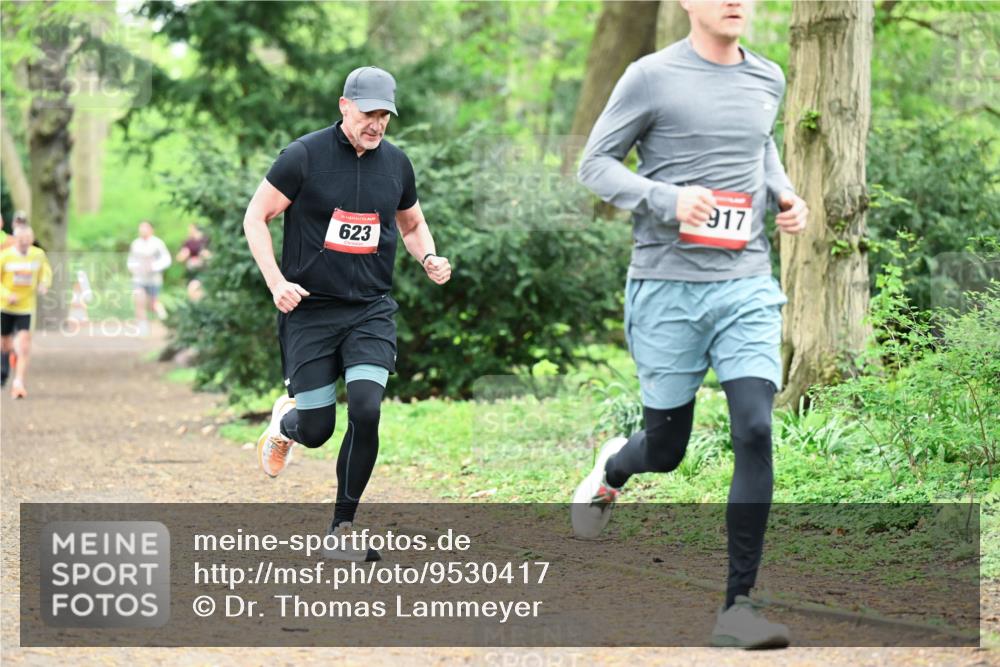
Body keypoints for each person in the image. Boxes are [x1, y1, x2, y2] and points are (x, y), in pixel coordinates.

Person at [572, 0, 808, 649]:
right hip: (666, 286)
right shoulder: (650, 76)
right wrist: (667, 198)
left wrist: (784, 193)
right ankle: (615, 468)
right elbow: (595, 164)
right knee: (666, 449)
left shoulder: (768, 76)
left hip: (745, 282)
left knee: (755, 427)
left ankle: (738, 607)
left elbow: (761, 149)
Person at [243, 66, 451, 561]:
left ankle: (342, 528)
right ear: (344, 106)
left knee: (366, 409)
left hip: (369, 310)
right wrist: (276, 282)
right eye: (367, 114)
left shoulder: (396, 165)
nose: (376, 124)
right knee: (317, 430)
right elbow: (256, 216)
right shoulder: (304, 156)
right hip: (310, 310)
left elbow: (412, 224)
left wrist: (428, 256)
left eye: (385, 116)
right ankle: (287, 425)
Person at [1, 225, 52, 398]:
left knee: (24, 344)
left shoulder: (38, 255)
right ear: (15, 239)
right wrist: (7, 295)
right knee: (4, 344)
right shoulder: (5, 256)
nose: (24, 242)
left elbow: (46, 272)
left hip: (26, 307)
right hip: (5, 306)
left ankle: (18, 383)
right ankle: (10, 355)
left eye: (27, 239)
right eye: (21, 239)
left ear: (32, 239)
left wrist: (44, 283)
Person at [126, 221, 171, 334]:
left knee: (153, 304)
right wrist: (134, 268)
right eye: (141, 227)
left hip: (154, 279)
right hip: (139, 279)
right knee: (139, 301)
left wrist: (153, 267)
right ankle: (143, 329)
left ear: (151, 229)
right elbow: (131, 260)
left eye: (145, 227)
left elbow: (166, 259)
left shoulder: (158, 243)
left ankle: (166, 321)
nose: (142, 230)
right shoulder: (135, 244)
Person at [175, 224, 211, 301]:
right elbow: (179, 258)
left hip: (204, 271)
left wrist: (205, 255)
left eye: (191, 228)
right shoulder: (188, 242)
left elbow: (211, 255)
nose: (189, 230)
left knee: (197, 290)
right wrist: (184, 255)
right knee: (192, 290)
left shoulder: (206, 240)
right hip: (192, 272)